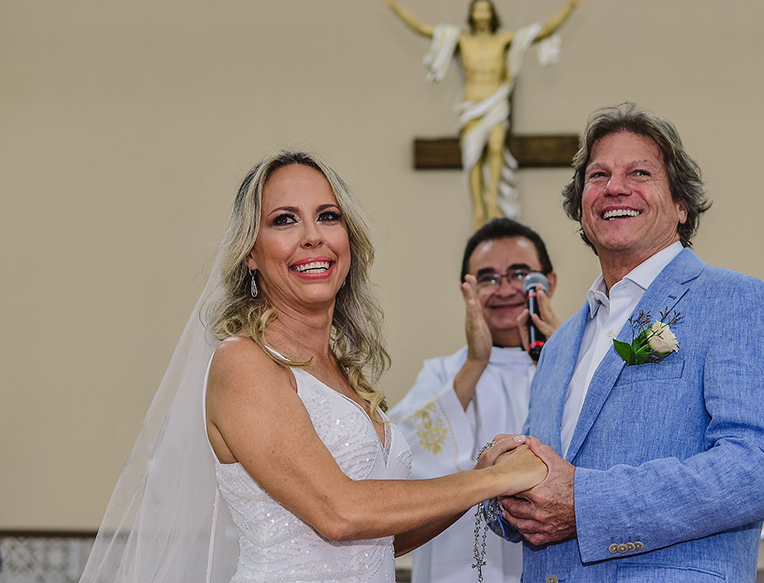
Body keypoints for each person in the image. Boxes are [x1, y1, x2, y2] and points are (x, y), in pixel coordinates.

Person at [78, 150, 548, 583]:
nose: (312, 237)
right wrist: (496, 478)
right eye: (284, 220)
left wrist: (481, 487)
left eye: (328, 217)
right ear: (250, 253)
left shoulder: (340, 371)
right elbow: (339, 512)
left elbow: (379, 540)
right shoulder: (243, 362)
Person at [480, 103, 764, 582]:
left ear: (681, 204)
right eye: (598, 175)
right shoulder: (562, 342)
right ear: (582, 206)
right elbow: (550, 490)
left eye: (640, 172)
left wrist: (586, 502)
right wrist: (503, 489)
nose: (614, 187)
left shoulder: (737, 302)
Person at [389, 218, 561, 583]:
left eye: (520, 274)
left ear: (549, 282)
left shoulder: (577, 367)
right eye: (488, 278)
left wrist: (563, 356)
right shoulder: (443, 374)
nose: (505, 289)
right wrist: (476, 363)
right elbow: (397, 458)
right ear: (467, 290)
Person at [376, 0, 589, 228]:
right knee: (472, 157)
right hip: (472, 107)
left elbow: (543, 32)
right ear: (471, 14)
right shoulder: (461, 40)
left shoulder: (503, 40)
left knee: (497, 146)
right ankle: (478, 209)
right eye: (477, 9)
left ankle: (492, 205)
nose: (481, 14)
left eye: (485, 9)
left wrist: (570, 6)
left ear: (492, 14)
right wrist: (394, 6)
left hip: (496, 104)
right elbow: (423, 30)